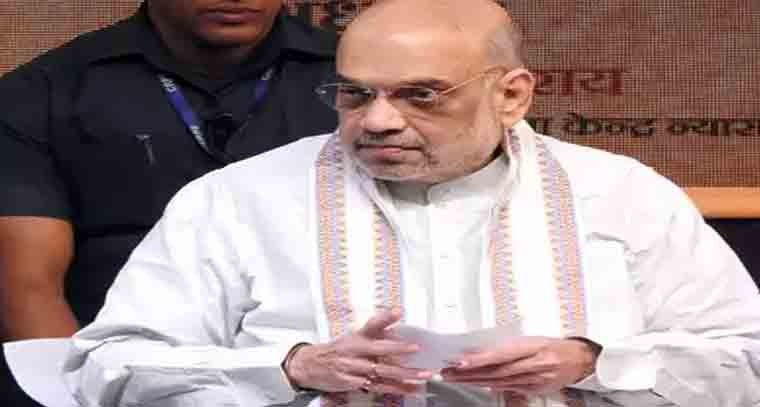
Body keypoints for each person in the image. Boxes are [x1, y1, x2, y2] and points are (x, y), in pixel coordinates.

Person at [64, 0, 760, 406]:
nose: (378, 120)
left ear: (512, 95)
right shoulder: (236, 201)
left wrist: (593, 361)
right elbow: (104, 367)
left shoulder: (623, 195)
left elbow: (748, 361)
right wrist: (290, 367)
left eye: (421, 95)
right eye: (355, 93)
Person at [0, 0, 336, 405]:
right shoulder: (43, 92)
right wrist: (80, 395)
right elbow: (30, 288)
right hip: (117, 380)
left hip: (324, 379)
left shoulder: (358, 82)